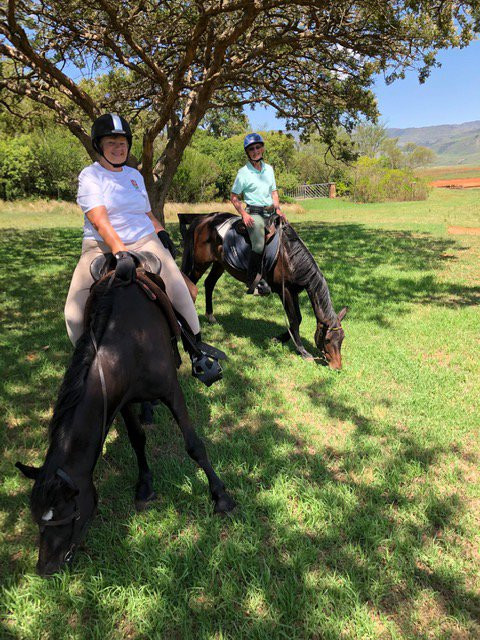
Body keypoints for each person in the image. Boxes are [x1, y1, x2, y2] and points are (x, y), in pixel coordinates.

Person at [64, 113, 223, 386]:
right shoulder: (90, 175)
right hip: (100, 246)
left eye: (123, 142)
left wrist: (160, 232)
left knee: (180, 288)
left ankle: (196, 349)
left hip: (144, 239)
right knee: (73, 311)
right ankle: (85, 364)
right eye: (111, 142)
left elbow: (146, 212)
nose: (119, 147)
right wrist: (120, 252)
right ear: (99, 145)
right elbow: (99, 219)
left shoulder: (134, 175)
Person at [230, 133, 288, 295]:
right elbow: (234, 196)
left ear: (262, 148)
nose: (255, 151)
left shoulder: (269, 169)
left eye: (257, 147)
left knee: (288, 233)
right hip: (254, 212)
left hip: (270, 210)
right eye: (251, 149)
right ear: (247, 153)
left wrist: (278, 209)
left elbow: (274, 192)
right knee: (258, 244)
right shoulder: (243, 173)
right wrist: (244, 214)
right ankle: (252, 281)